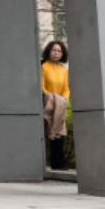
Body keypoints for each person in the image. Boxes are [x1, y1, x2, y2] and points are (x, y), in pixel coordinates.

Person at [40, 41, 71, 170]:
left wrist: (63, 99)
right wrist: (50, 97)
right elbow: (41, 86)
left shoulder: (63, 70)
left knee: (58, 133)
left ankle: (58, 164)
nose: (56, 53)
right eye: (54, 50)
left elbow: (65, 88)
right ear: (48, 51)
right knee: (47, 133)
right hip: (46, 104)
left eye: (59, 51)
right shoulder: (43, 66)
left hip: (59, 104)